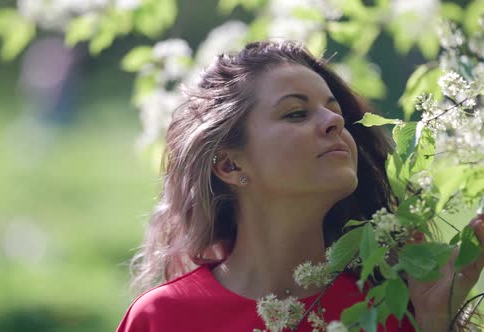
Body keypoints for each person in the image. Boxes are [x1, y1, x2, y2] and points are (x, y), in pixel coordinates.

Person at [116, 40, 484, 332]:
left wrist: (437, 325)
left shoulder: (390, 307)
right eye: (296, 113)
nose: (333, 122)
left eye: (333, 110)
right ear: (230, 164)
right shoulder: (163, 319)